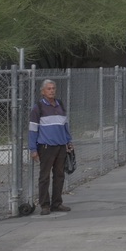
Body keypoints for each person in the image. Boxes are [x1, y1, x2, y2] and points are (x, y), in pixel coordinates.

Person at [28, 79, 75, 214]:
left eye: (53, 88)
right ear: (43, 92)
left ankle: (57, 203)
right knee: (44, 177)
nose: (51, 91)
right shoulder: (38, 107)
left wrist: (68, 141)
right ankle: (44, 205)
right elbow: (33, 129)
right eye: (48, 89)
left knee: (59, 175)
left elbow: (65, 125)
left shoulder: (60, 105)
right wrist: (33, 149)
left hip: (61, 146)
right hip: (46, 147)